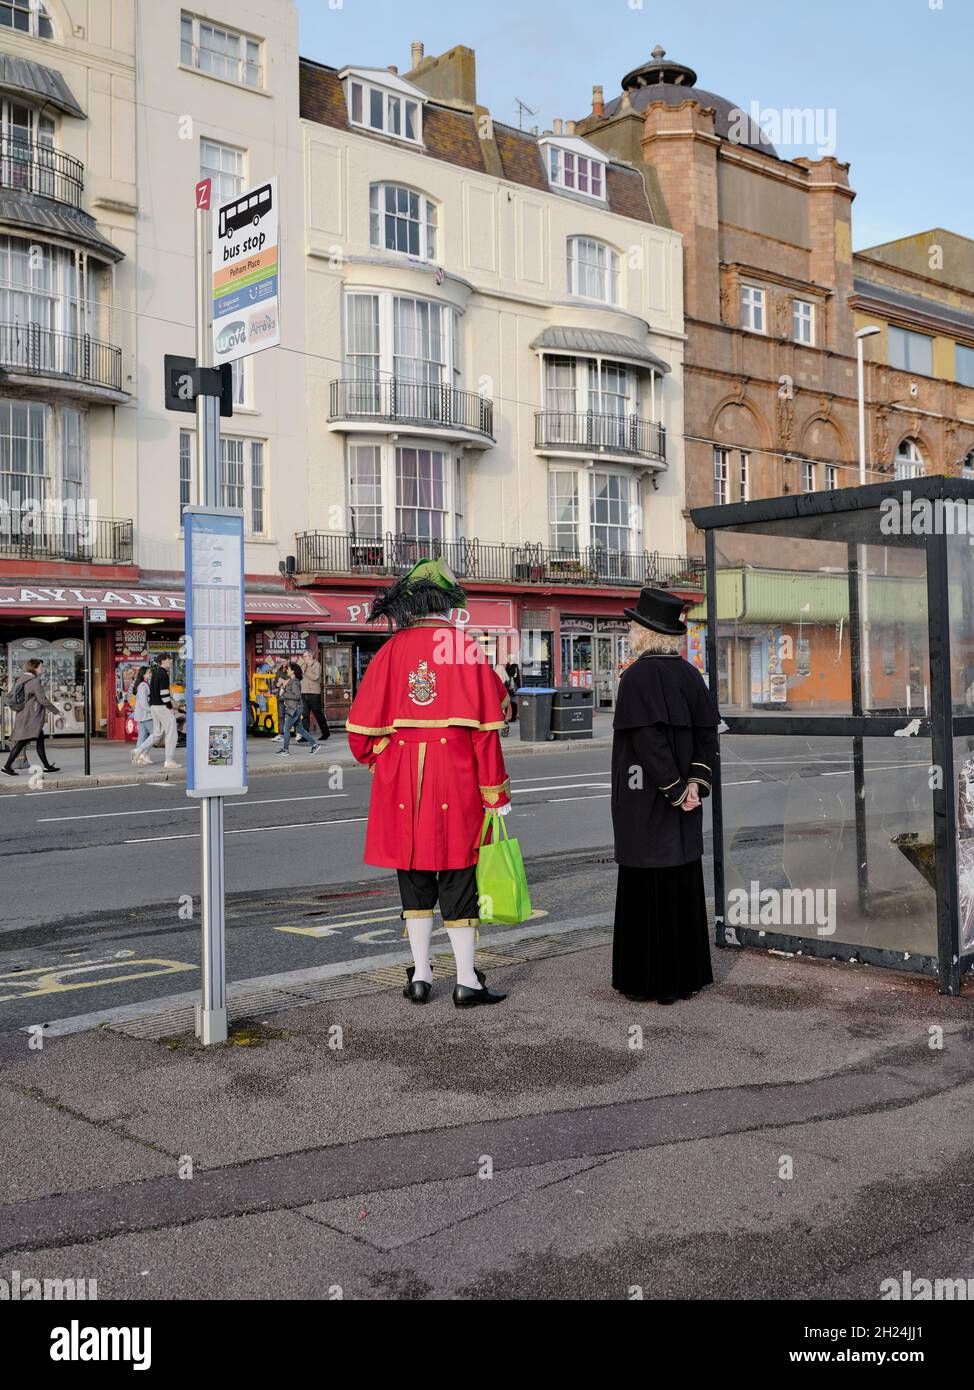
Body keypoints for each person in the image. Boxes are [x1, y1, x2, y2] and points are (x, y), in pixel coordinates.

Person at [347, 556, 512, 1009]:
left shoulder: (390, 651)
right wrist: (495, 793)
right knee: (459, 875)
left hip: (403, 780)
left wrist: (389, 755)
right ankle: (465, 981)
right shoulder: (467, 649)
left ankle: (420, 976)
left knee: (414, 875)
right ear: (448, 602)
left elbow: (360, 736)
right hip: (456, 778)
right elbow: (487, 731)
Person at [610, 587, 720, 1005]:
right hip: (684, 797)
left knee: (644, 884)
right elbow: (707, 734)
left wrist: (673, 789)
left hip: (646, 799)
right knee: (680, 882)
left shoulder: (636, 676)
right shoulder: (691, 674)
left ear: (644, 632)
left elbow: (646, 741)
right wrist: (694, 785)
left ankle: (645, 980)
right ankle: (683, 976)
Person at [2, 658, 60, 777]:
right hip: (31, 717)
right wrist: (56, 711)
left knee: (39, 739)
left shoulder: (21, 679)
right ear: (34, 668)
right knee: (22, 742)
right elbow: (42, 699)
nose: (42, 669)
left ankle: (47, 766)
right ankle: (7, 766)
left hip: (24, 714)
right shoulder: (34, 681)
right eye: (41, 667)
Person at [276, 661, 322, 756]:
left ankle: (285, 750)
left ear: (292, 671)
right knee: (300, 730)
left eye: (288, 669)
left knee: (286, 729)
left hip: (294, 709)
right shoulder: (292, 680)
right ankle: (315, 745)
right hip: (294, 708)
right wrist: (283, 687)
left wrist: (283, 694)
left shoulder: (295, 682)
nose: (287, 670)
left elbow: (296, 696)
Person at [148, 654, 179, 770]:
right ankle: (169, 760)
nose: (170, 661)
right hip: (161, 706)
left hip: (154, 706)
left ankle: (139, 751)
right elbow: (164, 694)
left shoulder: (156, 673)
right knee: (172, 733)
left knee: (157, 733)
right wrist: (170, 706)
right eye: (168, 659)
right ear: (163, 661)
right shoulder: (163, 674)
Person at [299, 648, 329, 742]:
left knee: (318, 714)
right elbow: (300, 676)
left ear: (310, 656)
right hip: (304, 692)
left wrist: (305, 672)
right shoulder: (303, 665)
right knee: (305, 715)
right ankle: (305, 736)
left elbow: (316, 677)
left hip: (314, 693)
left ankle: (325, 733)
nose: (304, 658)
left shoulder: (317, 665)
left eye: (305, 656)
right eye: (303, 656)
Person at [131, 666, 155, 765]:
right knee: (156, 734)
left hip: (141, 715)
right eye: (148, 672)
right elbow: (144, 703)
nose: (150, 674)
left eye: (150, 672)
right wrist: (151, 711)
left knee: (142, 735)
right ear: (143, 674)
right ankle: (142, 753)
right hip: (145, 715)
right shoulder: (143, 686)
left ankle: (139, 757)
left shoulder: (143, 685)